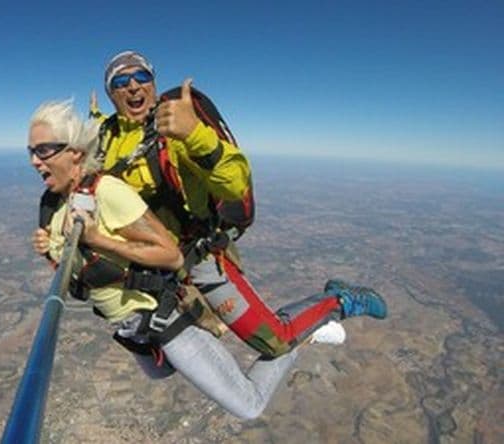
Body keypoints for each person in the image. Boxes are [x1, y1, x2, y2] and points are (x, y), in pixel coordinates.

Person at [27, 99, 323, 419]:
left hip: (163, 321)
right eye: (31, 151)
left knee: (248, 405)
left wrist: (98, 239)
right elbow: (79, 272)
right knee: (161, 372)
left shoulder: (107, 193)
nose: (34, 161)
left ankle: (310, 327)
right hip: (132, 327)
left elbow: (169, 255)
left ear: (75, 152)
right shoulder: (53, 204)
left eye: (43, 150)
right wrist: (51, 249)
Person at [85, 50, 387, 357]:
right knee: (180, 348)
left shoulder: (174, 133)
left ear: (153, 82)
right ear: (112, 93)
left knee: (275, 341)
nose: (133, 86)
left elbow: (235, 184)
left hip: (198, 259)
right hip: (156, 266)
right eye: (121, 81)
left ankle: (341, 299)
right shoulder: (106, 137)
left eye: (142, 77)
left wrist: (194, 135)